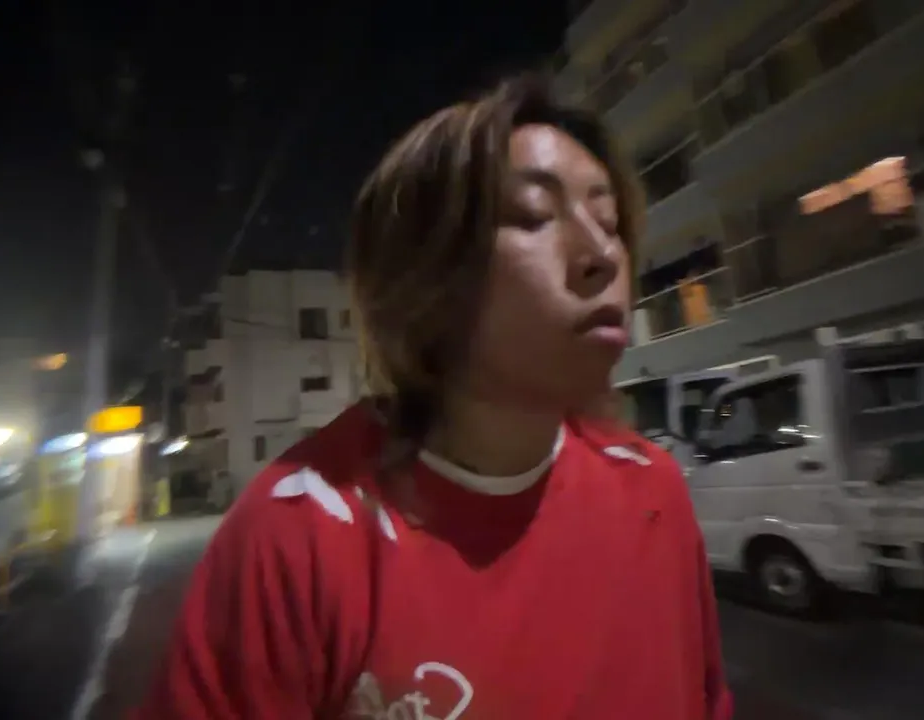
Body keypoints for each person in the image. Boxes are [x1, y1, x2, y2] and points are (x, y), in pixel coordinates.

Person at [135, 73, 732, 720]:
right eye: (533, 216)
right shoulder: (298, 535)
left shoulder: (652, 489)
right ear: (424, 278)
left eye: (609, 221)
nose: (602, 255)